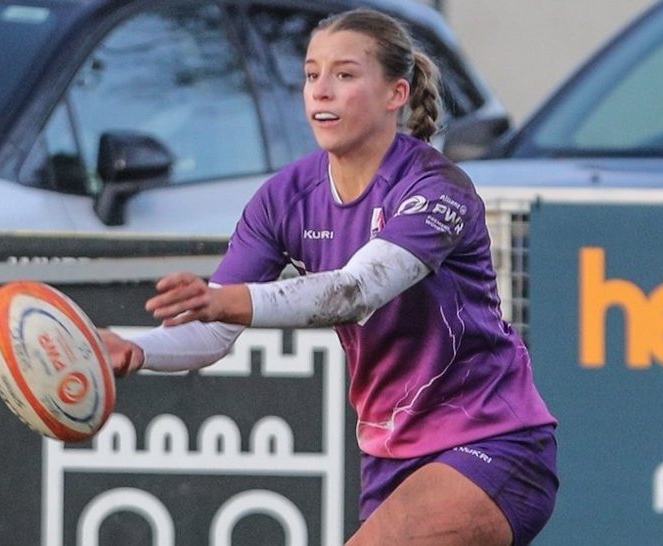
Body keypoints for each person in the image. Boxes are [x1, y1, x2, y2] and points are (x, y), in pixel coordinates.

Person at [99, 8, 558, 545]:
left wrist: (228, 300)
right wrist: (136, 348)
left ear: (396, 94)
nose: (321, 90)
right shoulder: (284, 198)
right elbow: (212, 332)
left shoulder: (437, 188)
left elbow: (355, 292)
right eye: (312, 74)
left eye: (344, 74)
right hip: (388, 462)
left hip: (494, 443)